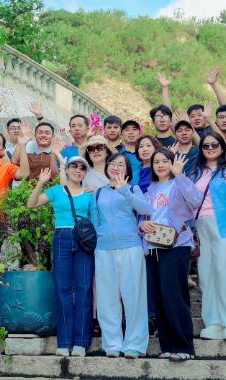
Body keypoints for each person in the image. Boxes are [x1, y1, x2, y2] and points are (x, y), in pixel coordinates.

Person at [140, 148, 203, 362]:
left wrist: (180, 175)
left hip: (176, 245)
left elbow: (196, 200)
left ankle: (184, 346)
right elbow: (142, 217)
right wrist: (142, 225)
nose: (160, 165)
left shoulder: (179, 183)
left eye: (165, 161)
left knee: (175, 295)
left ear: (172, 163)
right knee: (159, 297)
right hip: (153, 246)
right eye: (156, 162)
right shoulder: (150, 189)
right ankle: (167, 346)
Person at [27, 158, 94, 357]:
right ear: (67, 169)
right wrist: (41, 182)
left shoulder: (90, 194)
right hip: (61, 237)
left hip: (83, 240)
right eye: (74, 166)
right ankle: (63, 342)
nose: (78, 170)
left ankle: (81, 342)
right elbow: (31, 204)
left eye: (82, 168)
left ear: (85, 173)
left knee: (84, 289)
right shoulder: (56, 191)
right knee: (62, 288)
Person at [90, 153, 152, 358]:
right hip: (104, 248)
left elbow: (145, 208)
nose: (115, 167)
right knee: (107, 298)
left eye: (120, 164)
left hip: (131, 246)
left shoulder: (133, 189)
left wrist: (124, 190)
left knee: (133, 296)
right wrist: (97, 244)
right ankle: (112, 344)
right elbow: (95, 221)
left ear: (127, 170)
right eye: (112, 164)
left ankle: (134, 344)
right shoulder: (99, 192)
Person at [192, 133, 226, 341]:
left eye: (215, 144)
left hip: (224, 225)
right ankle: (213, 322)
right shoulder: (196, 172)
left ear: (222, 148)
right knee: (206, 275)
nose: (210, 148)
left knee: (225, 273)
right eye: (206, 145)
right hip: (201, 226)